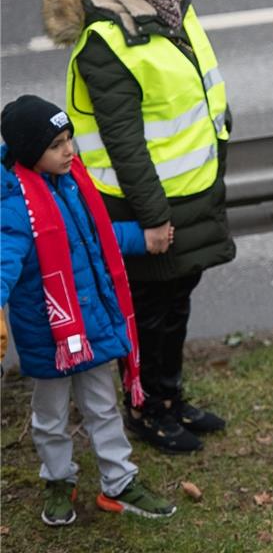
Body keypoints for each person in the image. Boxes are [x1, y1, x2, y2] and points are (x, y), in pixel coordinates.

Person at [44, 0, 235, 453]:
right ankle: (146, 409)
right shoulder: (107, 45)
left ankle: (170, 397)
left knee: (176, 302)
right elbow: (125, 145)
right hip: (146, 207)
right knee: (151, 312)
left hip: (190, 192)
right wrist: (152, 220)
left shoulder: (168, 5)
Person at [1, 95, 176, 525]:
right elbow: (5, 259)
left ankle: (119, 482)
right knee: (50, 417)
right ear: (28, 151)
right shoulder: (15, 207)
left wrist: (141, 238)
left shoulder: (72, 183)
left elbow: (96, 238)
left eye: (69, 139)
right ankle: (59, 479)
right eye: (57, 144)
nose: (70, 151)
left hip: (93, 324)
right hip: (48, 337)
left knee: (103, 407)